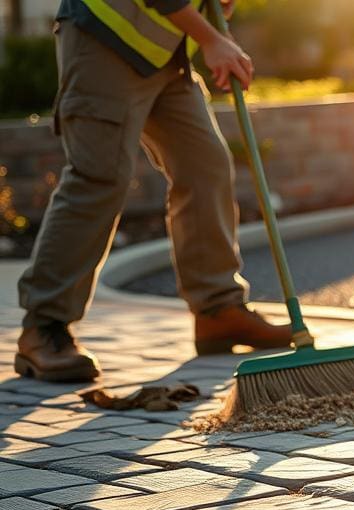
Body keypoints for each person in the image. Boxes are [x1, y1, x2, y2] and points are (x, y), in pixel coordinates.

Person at [15, 0, 292, 383]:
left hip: (164, 54)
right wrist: (211, 39)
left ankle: (217, 311)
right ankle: (44, 327)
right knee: (99, 177)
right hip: (102, 39)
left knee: (204, 164)